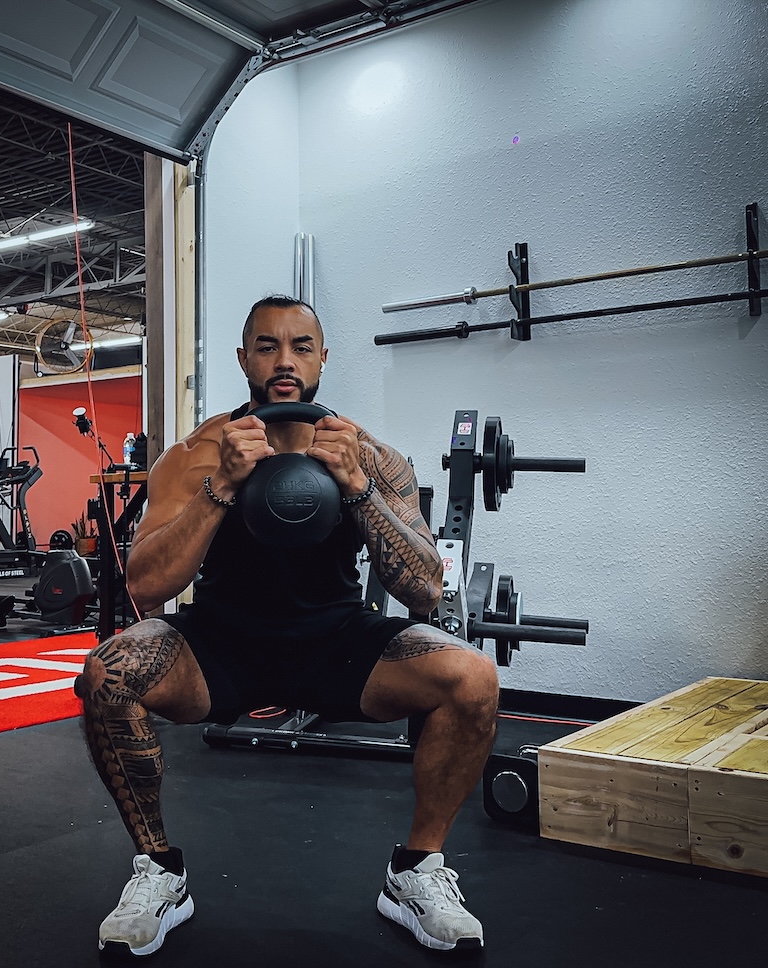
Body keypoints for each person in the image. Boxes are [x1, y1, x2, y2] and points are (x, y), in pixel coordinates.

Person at [75, 294, 500, 956]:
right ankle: (159, 871)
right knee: (108, 671)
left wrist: (357, 488)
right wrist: (222, 486)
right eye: (267, 346)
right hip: (219, 643)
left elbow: (425, 587)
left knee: (472, 677)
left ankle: (416, 872)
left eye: (301, 346)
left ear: (323, 358)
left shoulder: (371, 456)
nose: (284, 361)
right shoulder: (196, 454)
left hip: (336, 643)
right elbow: (146, 586)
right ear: (244, 357)